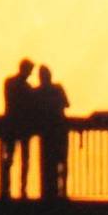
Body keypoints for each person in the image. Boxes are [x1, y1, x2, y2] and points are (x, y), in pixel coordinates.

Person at [1, 59, 35, 198]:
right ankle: (23, 188)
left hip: (10, 124)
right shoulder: (28, 87)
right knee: (24, 159)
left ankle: (6, 187)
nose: (30, 74)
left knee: (9, 158)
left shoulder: (9, 82)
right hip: (24, 126)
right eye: (29, 71)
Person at [35, 65, 70, 198]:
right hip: (60, 128)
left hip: (47, 132)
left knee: (47, 162)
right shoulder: (57, 88)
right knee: (62, 160)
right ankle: (62, 190)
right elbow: (67, 104)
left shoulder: (37, 92)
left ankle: (48, 191)